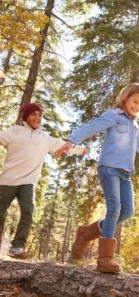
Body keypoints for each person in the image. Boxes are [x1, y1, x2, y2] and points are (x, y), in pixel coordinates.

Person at [55, 83, 139, 273]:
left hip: (125, 173)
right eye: (135, 102)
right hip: (109, 168)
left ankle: (86, 233)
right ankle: (105, 258)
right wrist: (71, 141)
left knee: (127, 212)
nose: (137, 107)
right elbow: (91, 127)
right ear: (125, 97)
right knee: (114, 209)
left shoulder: (134, 124)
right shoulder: (113, 115)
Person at [0, 103, 88, 259]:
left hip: (28, 181)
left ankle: (17, 247)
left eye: (40, 115)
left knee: (28, 209)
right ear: (25, 116)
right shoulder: (14, 132)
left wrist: (80, 149)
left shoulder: (44, 138)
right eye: (33, 114)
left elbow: (62, 145)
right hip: (8, 180)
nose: (37, 118)